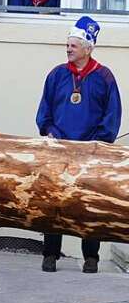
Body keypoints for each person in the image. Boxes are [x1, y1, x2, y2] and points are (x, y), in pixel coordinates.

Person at [36, 16, 121, 274]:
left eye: (73, 45)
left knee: (88, 204)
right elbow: (44, 111)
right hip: (59, 149)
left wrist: (99, 141)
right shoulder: (57, 75)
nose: (68, 49)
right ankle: (50, 254)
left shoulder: (104, 77)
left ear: (88, 48)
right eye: (68, 45)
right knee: (54, 202)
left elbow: (112, 115)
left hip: (90, 152)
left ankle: (91, 257)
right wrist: (50, 132)